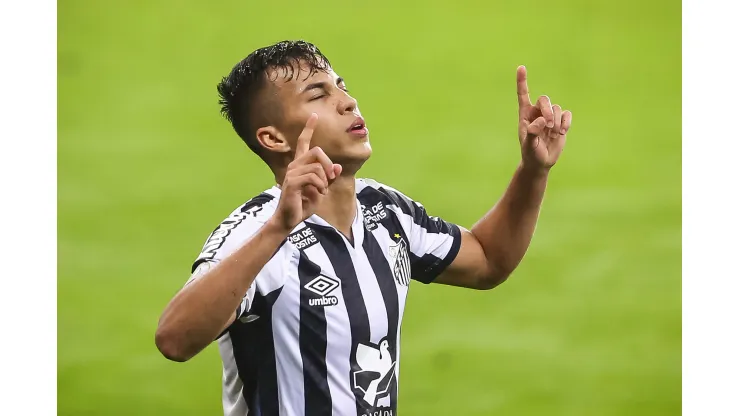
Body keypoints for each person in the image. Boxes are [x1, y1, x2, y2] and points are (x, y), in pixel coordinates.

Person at [155, 40, 572, 416]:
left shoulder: (385, 211)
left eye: (341, 85)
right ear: (274, 138)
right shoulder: (253, 232)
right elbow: (175, 339)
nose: (349, 101)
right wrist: (275, 230)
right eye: (319, 93)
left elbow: (487, 259)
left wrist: (533, 171)